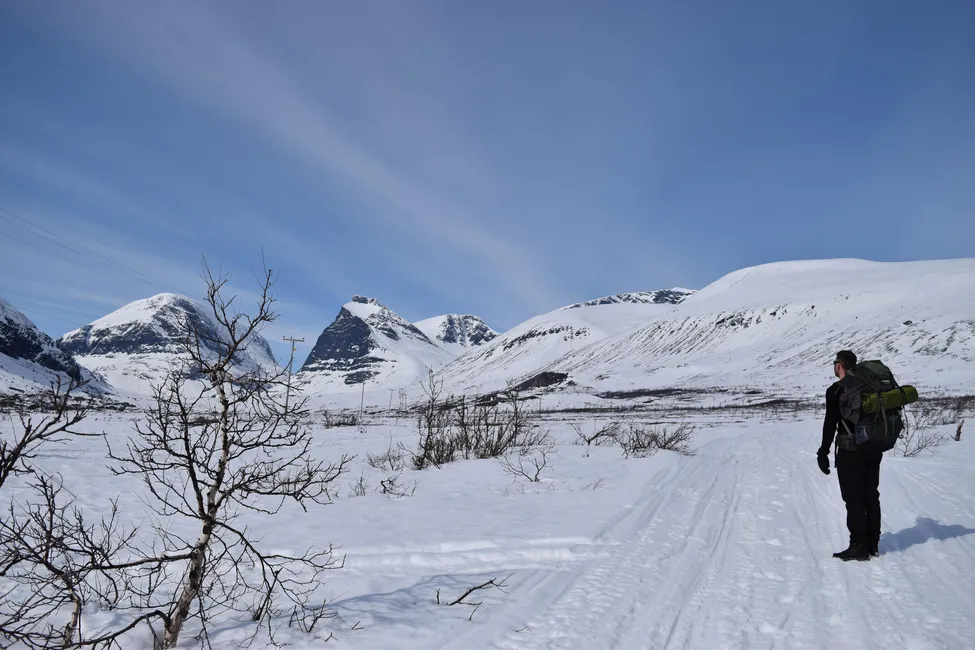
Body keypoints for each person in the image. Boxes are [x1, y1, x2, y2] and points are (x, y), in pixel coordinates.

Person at [817, 350, 883, 561]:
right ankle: (873, 544)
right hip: (874, 448)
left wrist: (823, 451)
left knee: (853, 500)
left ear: (839, 366)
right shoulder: (870, 386)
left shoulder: (836, 390)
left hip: (850, 451)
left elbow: (830, 424)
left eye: (835, 363)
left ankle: (858, 546)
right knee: (871, 495)